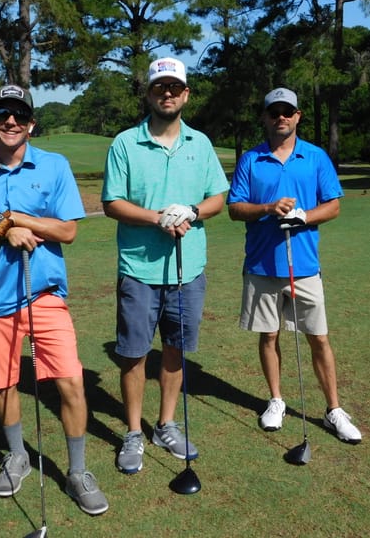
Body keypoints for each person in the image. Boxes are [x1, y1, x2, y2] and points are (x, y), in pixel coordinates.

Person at [0, 84, 109, 515]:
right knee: (2, 384)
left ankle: (76, 471)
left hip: (43, 293)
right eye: (3, 113)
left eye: (19, 115)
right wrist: (2, 228)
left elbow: (68, 231)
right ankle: (18, 455)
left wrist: (17, 217)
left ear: (31, 123)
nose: (11, 121)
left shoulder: (54, 166)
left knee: (70, 382)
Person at [101, 57, 230, 474]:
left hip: (187, 269)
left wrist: (191, 211)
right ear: (149, 93)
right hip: (139, 269)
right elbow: (112, 203)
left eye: (175, 87)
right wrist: (158, 217)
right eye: (160, 87)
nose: (168, 93)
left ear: (186, 94)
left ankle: (166, 424)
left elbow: (218, 198)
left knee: (175, 349)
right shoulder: (124, 143)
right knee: (134, 354)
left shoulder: (201, 143)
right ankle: (134, 432)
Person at [227, 87, 362, 444]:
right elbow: (235, 208)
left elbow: (332, 205)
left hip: (304, 265)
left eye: (288, 112)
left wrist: (303, 216)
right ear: (266, 117)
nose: (281, 118)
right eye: (275, 112)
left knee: (318, 338)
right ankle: (276, 400)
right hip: (261, 265)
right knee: (268, 335)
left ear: (298, 116)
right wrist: (268, 209)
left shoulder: (315, 157)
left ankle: (333, 409)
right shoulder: (251, 160)